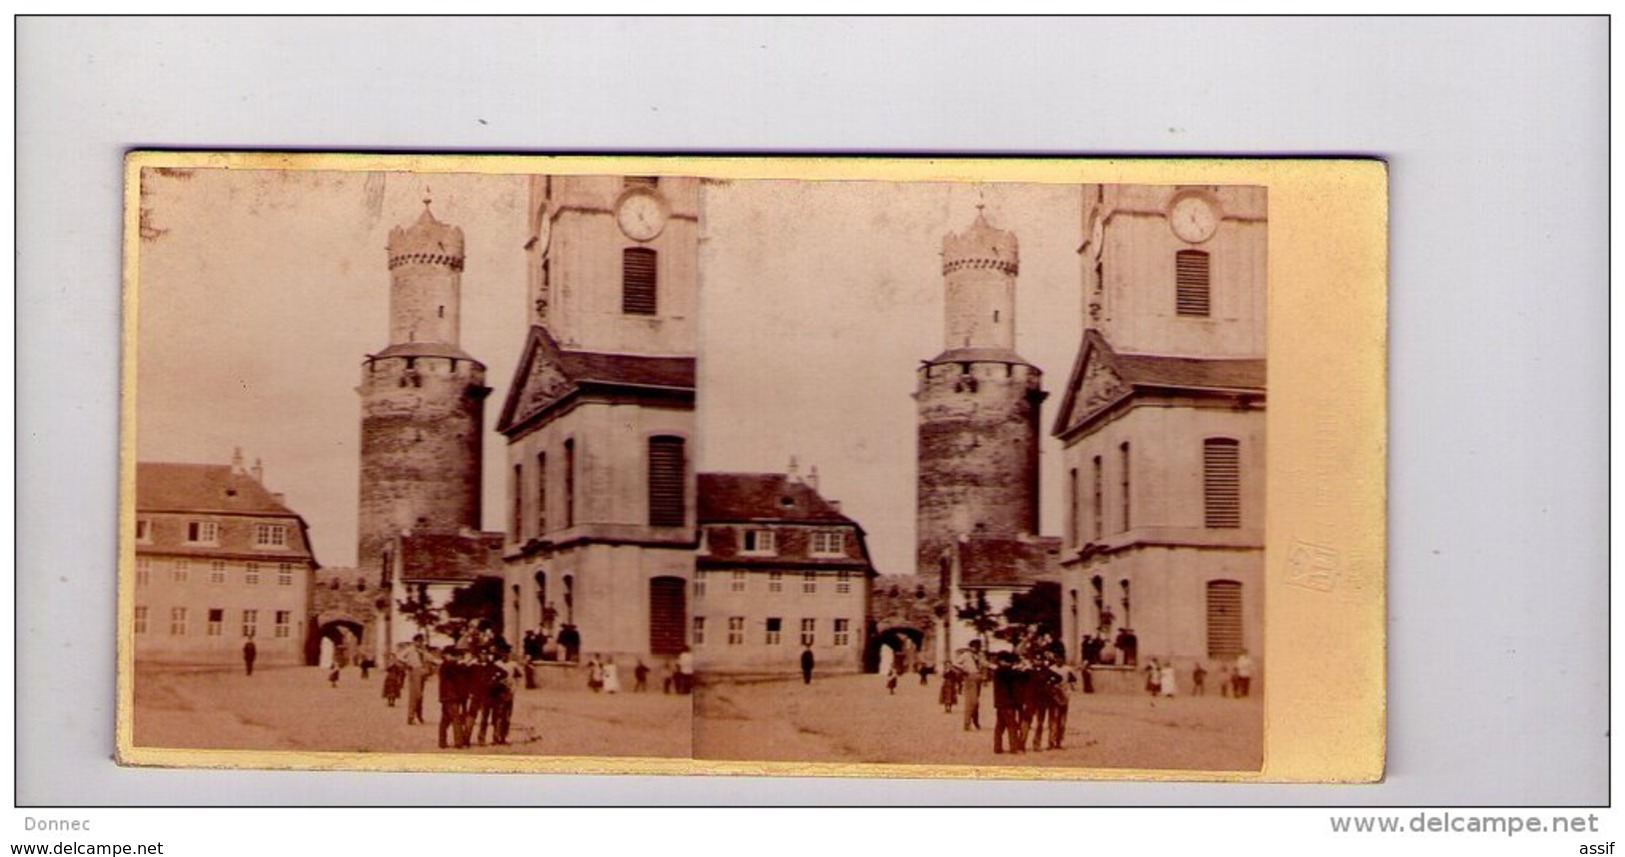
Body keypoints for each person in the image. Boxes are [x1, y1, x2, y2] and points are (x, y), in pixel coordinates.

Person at [991, 652, 1023, 754]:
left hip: (1000, 703)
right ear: (1002, 661)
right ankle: (1013, 748)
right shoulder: (1004, 671)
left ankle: (998, 747)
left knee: (1000, 727)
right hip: (1008, 703)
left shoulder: (998, 671)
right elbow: (1017, 675)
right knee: (1012, 725)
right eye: (1008, 661)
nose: (1010, 663)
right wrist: (1021, 668)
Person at [437, 648, 466, 749]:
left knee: (445, 720)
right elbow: (459, 671)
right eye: (452, 655)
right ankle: (459, 742)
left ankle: (442, 742)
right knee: (456, 718)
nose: (454, 657)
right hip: (451, 696)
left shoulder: (445, 665)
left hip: (446, 697)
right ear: (447, 655)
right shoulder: (449, 665)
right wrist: (463, 662)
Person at [954, 640, 987, 731]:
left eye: (978, 646)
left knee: (976, 703)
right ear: (971, 647)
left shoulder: (980, 656)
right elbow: (955, 663)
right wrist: (964, 669)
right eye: (975, 646)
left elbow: (985, 664)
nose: (976, 648)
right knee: (971, 702)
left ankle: (976, 722)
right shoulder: (965, 655)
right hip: (969, 677)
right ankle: (967, 723)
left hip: (978, 677)